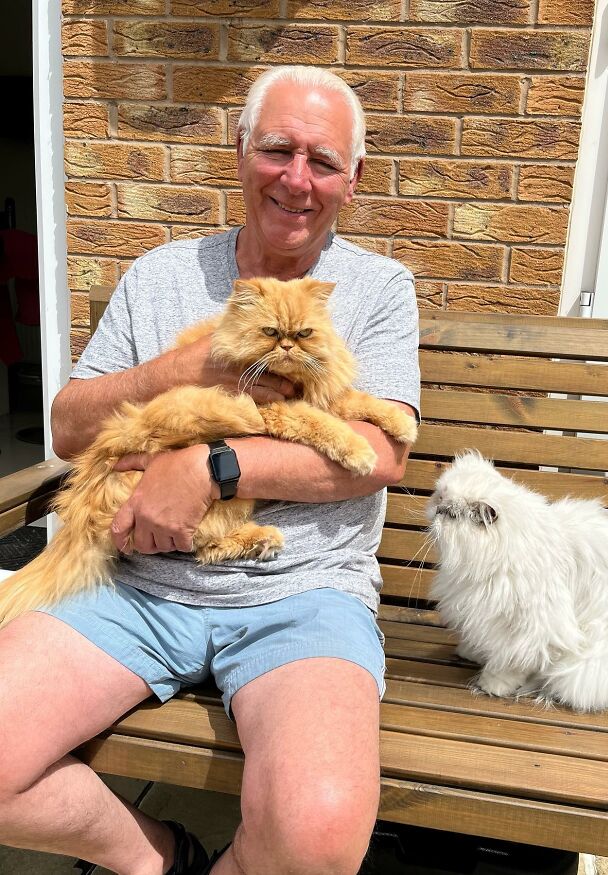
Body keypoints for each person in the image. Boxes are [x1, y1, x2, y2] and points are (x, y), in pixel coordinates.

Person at [0, 66, 420, 875]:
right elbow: (64, 426)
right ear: (239, 153)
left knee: (319, 835)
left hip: (302, 589)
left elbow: (378, 453)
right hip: (134, 582)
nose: (297, 179)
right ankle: (160, 858)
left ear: (353, 180)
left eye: (323, 161)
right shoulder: (160, 275)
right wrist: (173, 371)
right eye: (277, 149)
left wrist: (210, 468)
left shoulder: (373, 290)